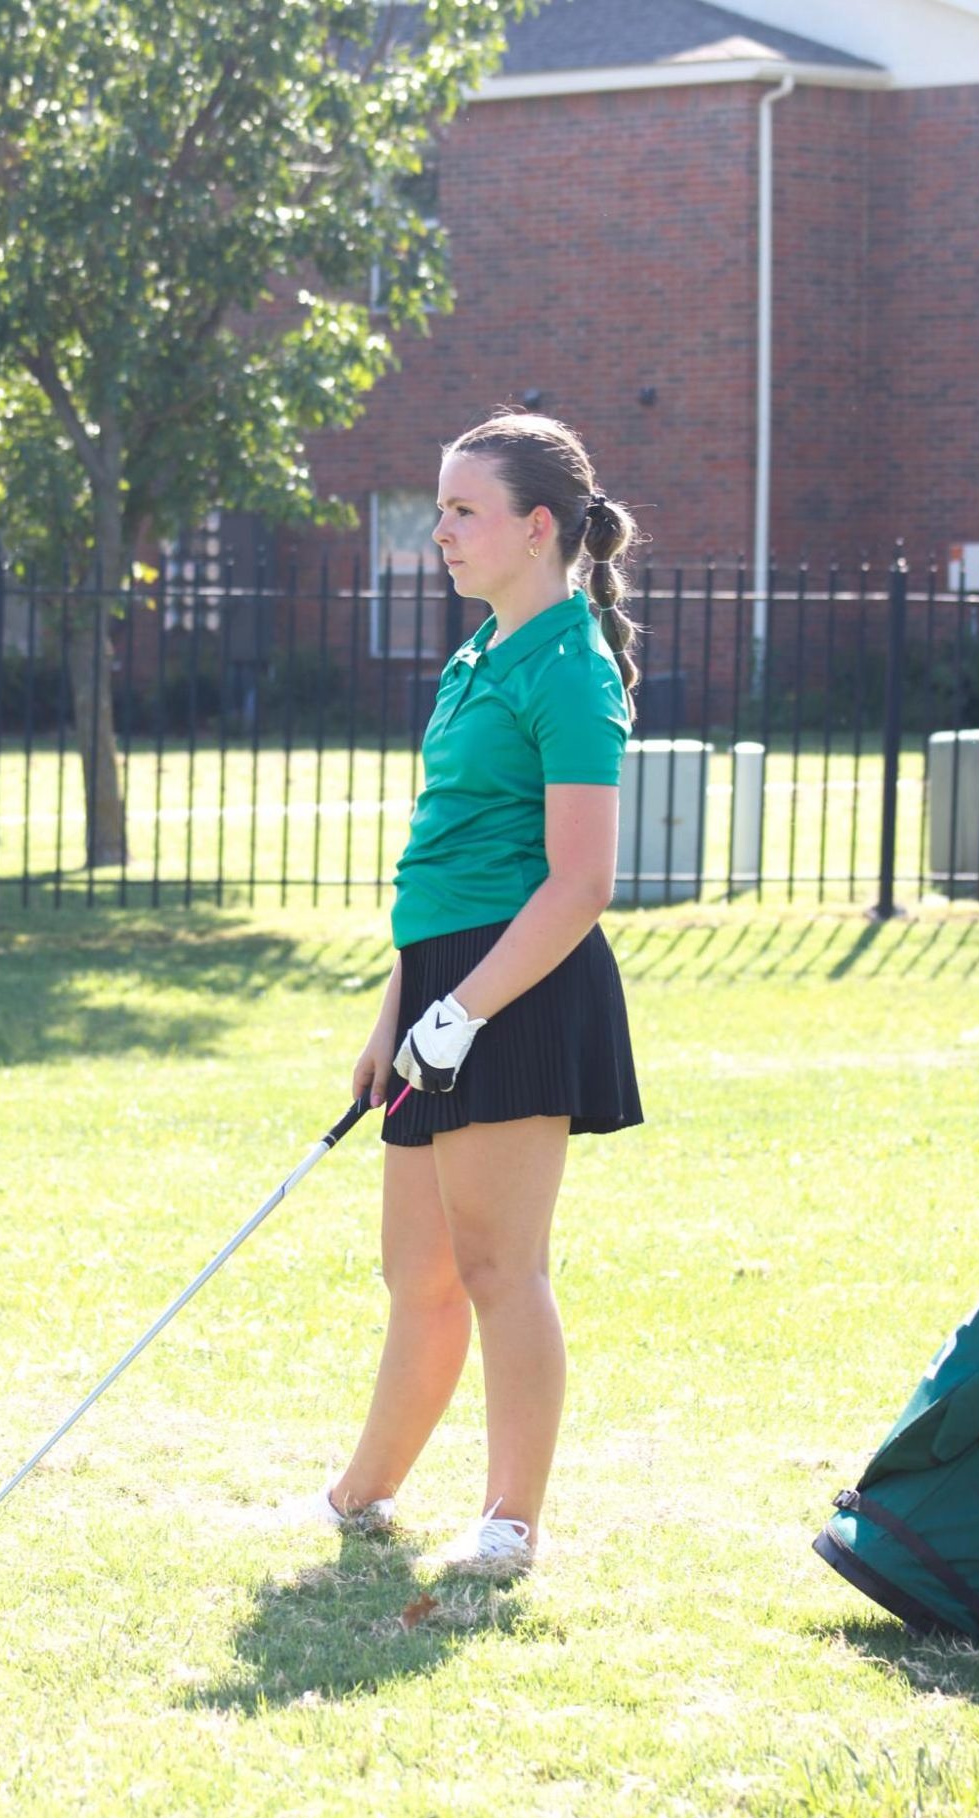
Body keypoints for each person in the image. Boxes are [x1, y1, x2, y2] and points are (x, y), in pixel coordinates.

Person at [317, 411, 644, 1569]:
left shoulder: (570, 668)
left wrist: (465, 1013)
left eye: (462, 511)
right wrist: (397, 1013)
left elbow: (582, 881)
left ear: (535, 525)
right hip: (440, 985)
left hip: (519, 984)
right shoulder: (476, 658)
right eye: (439, 508)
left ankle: (510, 1522)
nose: (440, 532)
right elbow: (439, 859)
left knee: (501, 1267)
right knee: (417, 1273)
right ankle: (359, 1497)